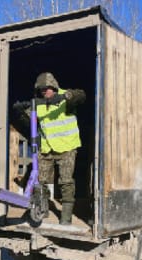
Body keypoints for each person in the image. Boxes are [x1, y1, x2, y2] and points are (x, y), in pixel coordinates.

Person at [14, 72, 86, 224]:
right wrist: (20, 111)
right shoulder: (37, 102)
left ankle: (65, 218)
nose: (45, 91)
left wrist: (67, 96)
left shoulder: (65, 97)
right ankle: (42, 211)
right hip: (46, 147)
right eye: (41, 89)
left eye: (47, 88)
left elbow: (81, 95)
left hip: (67, 147)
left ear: (54, 87)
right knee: (41, 181)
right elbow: (28, 122)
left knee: (66, 181)